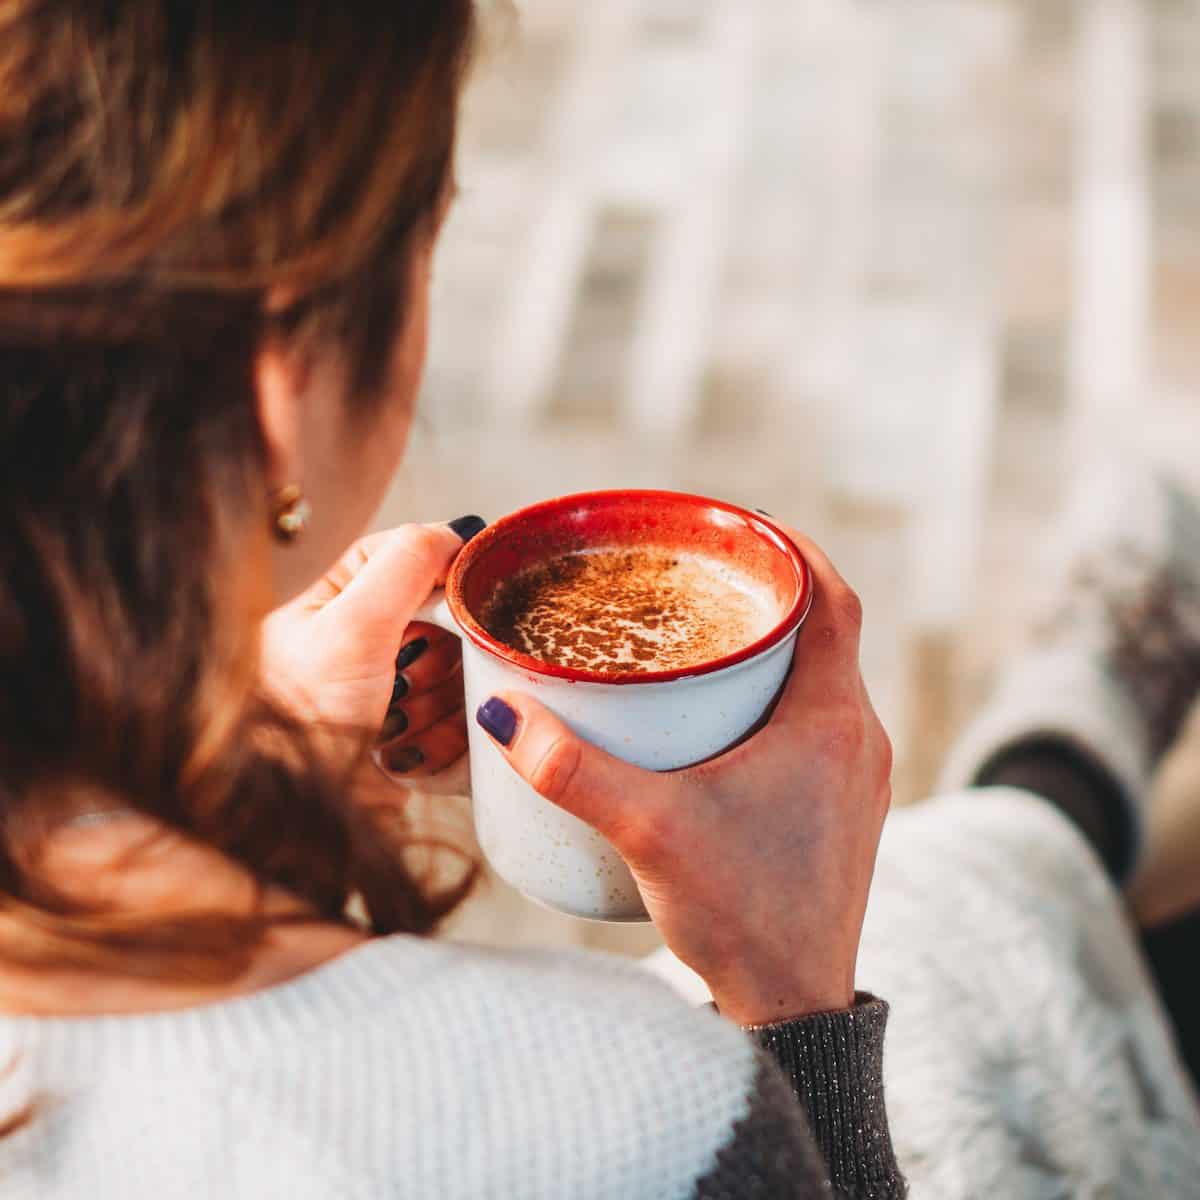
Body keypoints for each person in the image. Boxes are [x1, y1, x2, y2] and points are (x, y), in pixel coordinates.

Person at [0, 4, 900, 1197]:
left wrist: (224, 787)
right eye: (423, 244)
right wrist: (797, 1004)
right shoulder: (629, 1110)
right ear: (282, 387)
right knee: (981, 889)